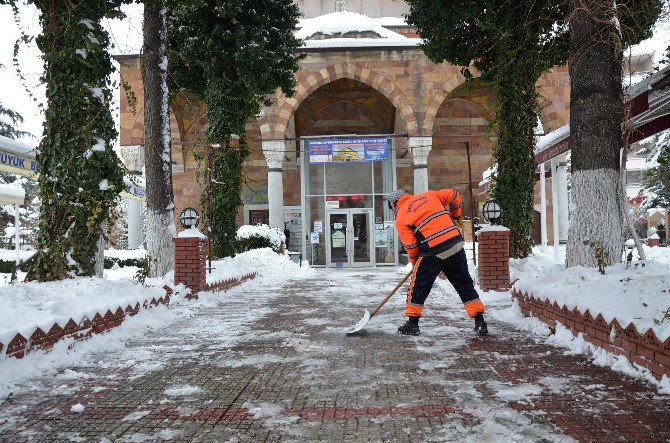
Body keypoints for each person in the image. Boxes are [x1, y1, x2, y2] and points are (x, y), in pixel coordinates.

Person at [387, 189, 487, 336]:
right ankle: (480, 321)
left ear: (395, 203)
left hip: (432, 250)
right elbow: (454, 195)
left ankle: (412, 324)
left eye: (391, 207)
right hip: (455, 243)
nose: (393, 210)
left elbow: (411, 246)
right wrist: (455, 215)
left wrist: (415, 263)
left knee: (418, 286)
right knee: (464, 284)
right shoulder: (429, 195)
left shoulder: (401, 217)